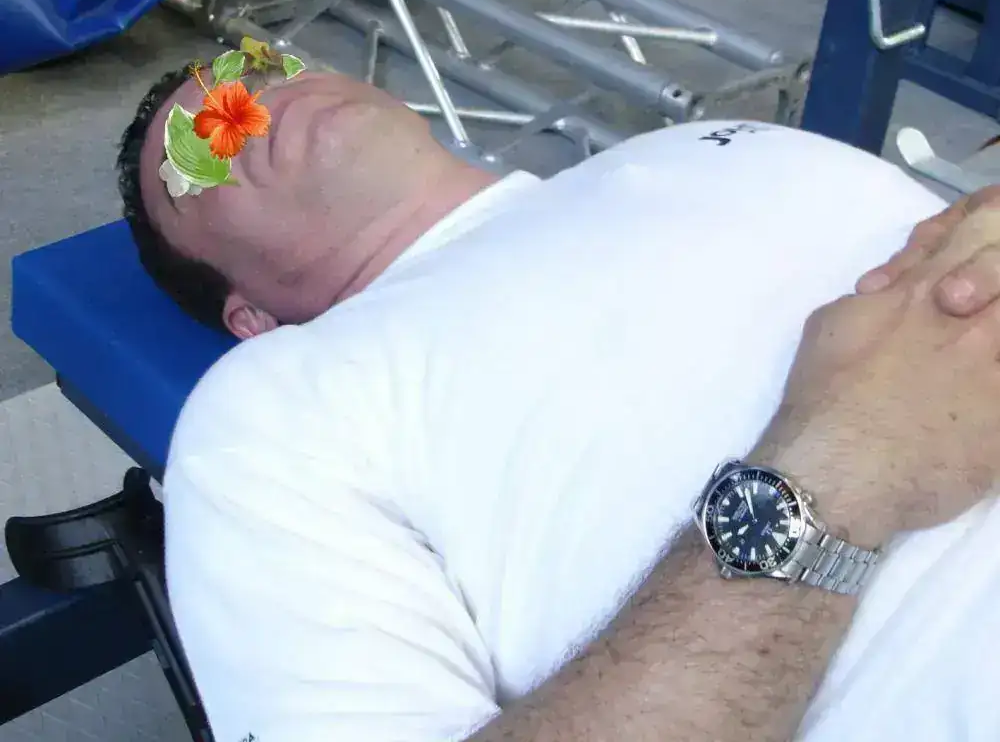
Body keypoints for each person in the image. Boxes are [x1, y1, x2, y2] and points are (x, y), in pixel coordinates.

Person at [118, 61, 1000, 741]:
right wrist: (845, 467)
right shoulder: (268, 410)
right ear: (248, 314)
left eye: (256, 66)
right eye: (200, 145)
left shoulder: (696, 146)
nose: (251, 104)